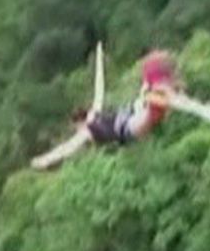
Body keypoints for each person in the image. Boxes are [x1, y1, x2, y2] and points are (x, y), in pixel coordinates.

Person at [31, 44, 178, 170]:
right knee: (143, 103)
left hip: (129, 125)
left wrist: (46, 160)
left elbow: (66, 148)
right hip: (129, 123)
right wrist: (99, 59)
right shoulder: (95, 112)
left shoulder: (86, 131)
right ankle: (157, 92)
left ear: (79, 122)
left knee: (144, 101)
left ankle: (157, 87)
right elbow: (99, 86)